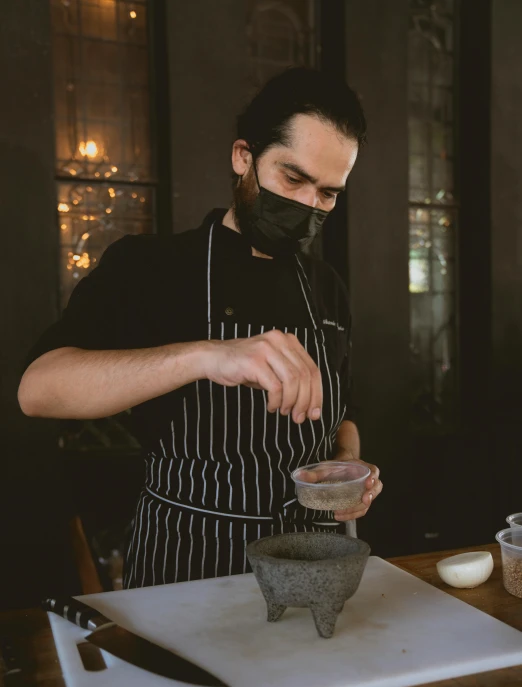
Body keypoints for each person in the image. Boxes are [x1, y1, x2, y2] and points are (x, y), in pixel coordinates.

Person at [18, 68, 383, 588]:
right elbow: (38, 390)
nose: (307, 206)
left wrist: (347, 467)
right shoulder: (150, 268)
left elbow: (341, 415)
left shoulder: (326, 287)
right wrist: (207, 356)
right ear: (243, 157)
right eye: (292, 178)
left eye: (328, 194)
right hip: (187, 564)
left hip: (313, 561)